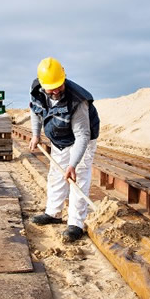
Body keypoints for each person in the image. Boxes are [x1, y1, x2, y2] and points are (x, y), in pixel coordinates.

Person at [28, 57, 100, 242]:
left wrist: (73, 164)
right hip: (59, 140)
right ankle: (53, 213)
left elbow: (82, 136)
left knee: (78, 178)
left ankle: (76, 223)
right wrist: (36, 134)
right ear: (43, 84)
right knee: (56, 176)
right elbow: (35, 112)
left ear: (64, 77)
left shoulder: (78, 101)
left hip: (81, 140)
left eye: (59, 85)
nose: (56, 90)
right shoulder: (37, 90)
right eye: (51, 87)